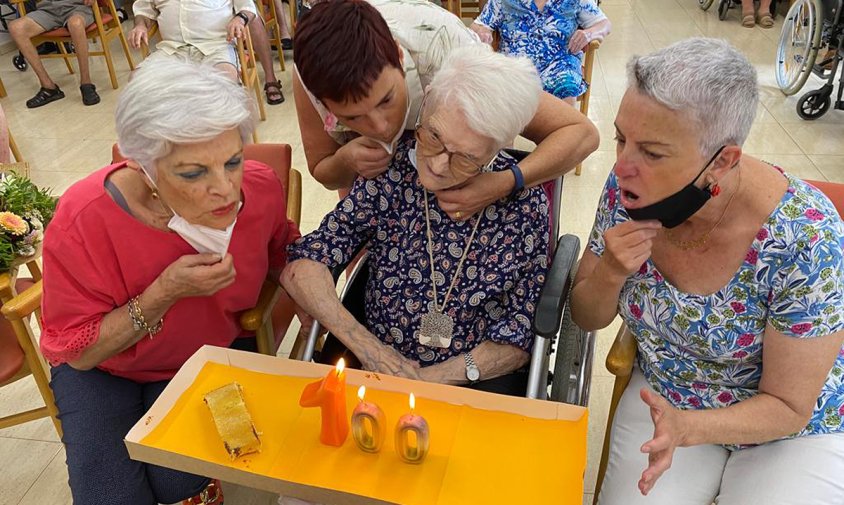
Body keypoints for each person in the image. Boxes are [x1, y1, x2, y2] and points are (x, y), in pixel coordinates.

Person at [570, 38, 844, 504]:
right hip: (667, 395)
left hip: (787, 427)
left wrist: (692, 428)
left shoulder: (805, 235)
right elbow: (586, 316)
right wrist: (611, 271)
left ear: (722, 161)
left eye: (652, 153)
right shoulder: (626, 195)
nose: (622, 167)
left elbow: (791, 405)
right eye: (621, 138)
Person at [40, 60, 300, 505]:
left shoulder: (259, 189)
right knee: (111, 497)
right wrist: (164, 292)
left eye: (233, 160)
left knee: (178, 483)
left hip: (199, 359)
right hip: (104, 369)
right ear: (141, 165)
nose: (226, 189)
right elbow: (78, 354)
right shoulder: (83, 220)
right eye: (193, 172)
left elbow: (286, 256)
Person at [284, 45, 549, 396]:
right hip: (374, 364)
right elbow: (304, 264)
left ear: (496, 149)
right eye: (433, 137)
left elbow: (520, 330)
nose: (438, 165)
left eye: (466, 159)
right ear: (424, 110)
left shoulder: (524, 207)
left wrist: (427, 382)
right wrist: (372, 352)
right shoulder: (391, 172)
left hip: (473, 381)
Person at [292, 0, 598, 221]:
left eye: (386, 100)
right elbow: (324, 171)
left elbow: (580, 134)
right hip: (380, 209)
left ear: (400, 57)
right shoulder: (311, 74)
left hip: (473, 201)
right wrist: (346, 160)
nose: (381, 127)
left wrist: (505, 181)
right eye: (352, 118)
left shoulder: (444, 47)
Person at [470, 0, 611, 105]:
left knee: (566, 86)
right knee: (503, 90)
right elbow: (479, 24)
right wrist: (482, 30)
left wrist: (589, 33)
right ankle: (506, 145)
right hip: (515, 65)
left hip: (559, 63)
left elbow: (604, 24)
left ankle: (561, 140)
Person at [128, 0, 257, 81]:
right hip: (172, 49)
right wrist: (140, 25)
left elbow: (247, 7)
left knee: (223, 78)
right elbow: (143, 11)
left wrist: (240, 19)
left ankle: (216, 124)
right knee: (137, 79)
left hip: (216, 45)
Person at [8, 0, 101, 108]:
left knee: (76, 24)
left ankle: (86, 83)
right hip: (48, 9)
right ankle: (49, 87)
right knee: (16, 27)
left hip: (77, 7)